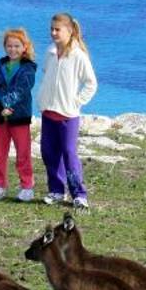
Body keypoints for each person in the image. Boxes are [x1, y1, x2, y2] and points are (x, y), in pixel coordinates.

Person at [37, 12, 98, 208]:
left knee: (69, 153)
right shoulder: (50, 52)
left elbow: (91, 83)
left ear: (69, 31)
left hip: (68, 115)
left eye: (58, 30)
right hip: (48, 112)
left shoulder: (78, 55)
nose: (53, 33)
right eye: (51, 29)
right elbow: (47, 74)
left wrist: (77, 101)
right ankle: (56, 190)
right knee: (48, 152)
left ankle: (79, 194)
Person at [0, 26, 38, 201]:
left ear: (24, 47)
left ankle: (27, 186)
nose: (13, 49)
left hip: (19, 117)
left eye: (17, 46)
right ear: (5, 47)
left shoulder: (28, 68)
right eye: (9, 46)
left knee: (23, 153)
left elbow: (21, 90)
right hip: (0, 118)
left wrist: (4, 104)